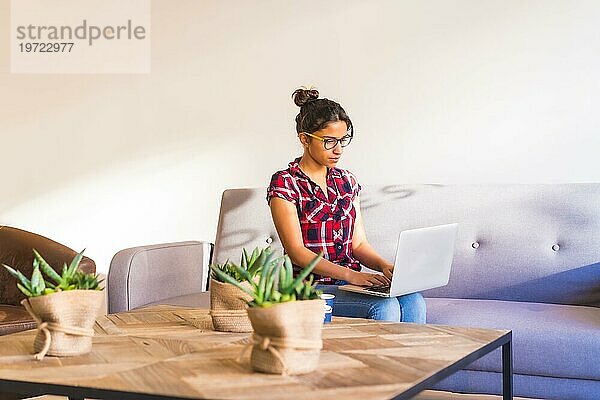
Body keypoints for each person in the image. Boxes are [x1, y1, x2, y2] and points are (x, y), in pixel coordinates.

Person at [266, 87, 426, 323]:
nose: (338, 149)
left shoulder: (347, 181)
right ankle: (378, 361)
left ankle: (414, 361)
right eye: (329, 141)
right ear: (305, 139)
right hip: (308, 289)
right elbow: (297, 253)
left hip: (346, 282)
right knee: (386, 307)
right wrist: (351, 276)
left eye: (343, 140)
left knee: (413, 299)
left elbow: (358, 244)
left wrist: (384, 266)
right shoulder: (285, 183)